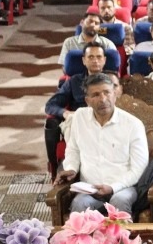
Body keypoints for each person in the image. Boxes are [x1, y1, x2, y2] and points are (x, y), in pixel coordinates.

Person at [56, 73, 148, 216]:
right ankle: (82, 239)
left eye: (107, 93)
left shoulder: (133, 124)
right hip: (89, 188)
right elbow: (73, 150)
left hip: (123, 187)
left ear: (115, 94)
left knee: (119, 201)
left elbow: (139, 167)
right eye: (96, 95)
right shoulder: (79, 117)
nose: (103, 99)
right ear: (87, 100)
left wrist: (112, 187)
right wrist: (71, 169)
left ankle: (121, 239)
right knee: (79, 204)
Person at [45, 42, 108, 179]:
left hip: (105, 121)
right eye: (91, 57)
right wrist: (66, 113)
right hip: (78, 123)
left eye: (99, 57)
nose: (95, 60)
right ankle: (73, 170)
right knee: (74, 119)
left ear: (105, 60)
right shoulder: (73, 81)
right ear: (83, 60)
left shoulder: (113, 82)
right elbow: (50, 105)